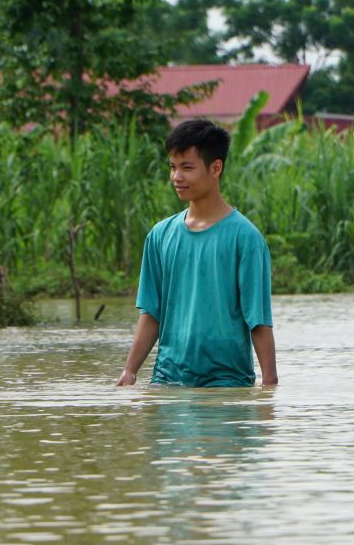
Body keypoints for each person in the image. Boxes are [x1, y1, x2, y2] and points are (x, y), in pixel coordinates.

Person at [116, 119, 277, 387]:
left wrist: (270, 386)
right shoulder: (159, 236)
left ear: (216, 168)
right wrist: (129, 371)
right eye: (173, 167)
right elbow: (151, 314)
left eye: (187, 168)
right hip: (167, 382)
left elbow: (258, 322)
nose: (177, 177)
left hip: (226, 384)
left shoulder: (246, 239)